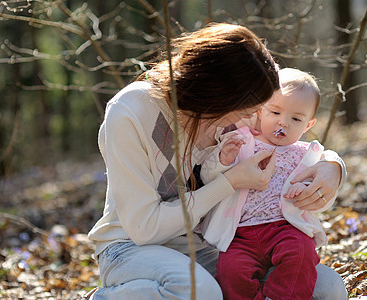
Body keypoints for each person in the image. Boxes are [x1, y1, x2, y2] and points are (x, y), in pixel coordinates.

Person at [86, 23, 346, 300]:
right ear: (217, 95)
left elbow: (287, 135)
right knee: (200, 292)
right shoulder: (130, 112)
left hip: (203, 244)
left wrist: (333, 166)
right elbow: (144, 229)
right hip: (129, 246)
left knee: (326, 287)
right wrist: (229, 182)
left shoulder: (237, 113)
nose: (249, 119)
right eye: (246, 110)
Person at [200, 68, 340, 300]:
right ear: (261, 111)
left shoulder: (306, 154)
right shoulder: (242, 142)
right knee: (230, 271)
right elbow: (209, 177)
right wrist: (222, 159)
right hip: (240, 233)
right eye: (275, 112)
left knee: (301, 256)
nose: (282, 123)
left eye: (295, 119)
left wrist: (304, 188)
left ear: (308, 124)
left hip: (286, 228)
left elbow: (322, 190)